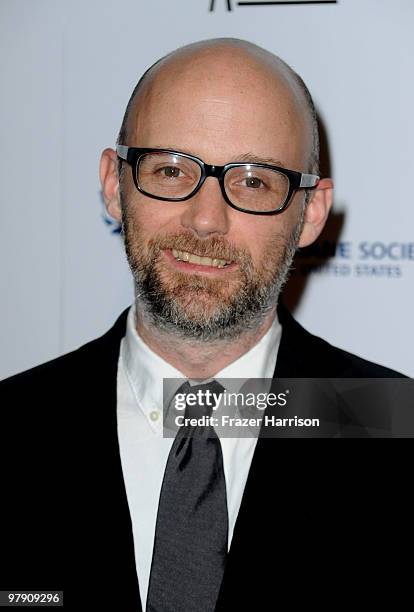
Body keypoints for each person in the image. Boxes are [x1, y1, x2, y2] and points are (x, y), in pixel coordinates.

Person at [0, 38, 409, 611]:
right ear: (115, 186)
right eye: (170, 170)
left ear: (311, 213)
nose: (205, 219)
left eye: (253, 180)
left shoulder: (390, 423)